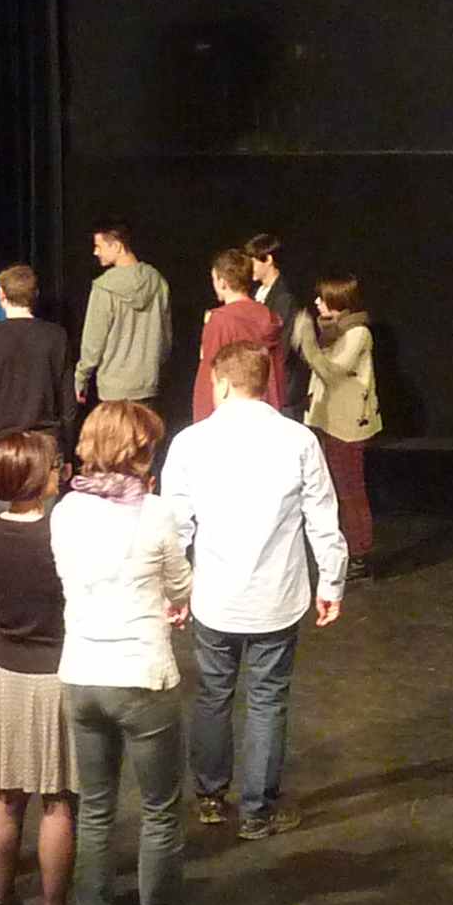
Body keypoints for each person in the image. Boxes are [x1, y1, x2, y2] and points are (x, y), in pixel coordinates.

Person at [159, 340, 345, 839]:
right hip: (277, 597)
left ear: (220, 383)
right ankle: (258, 811)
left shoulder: (191, 443)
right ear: (266, 383)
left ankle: (210, 796)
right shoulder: (298, 440)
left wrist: (173, 593)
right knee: (267, 700)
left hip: (215, 597)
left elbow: (175, 526)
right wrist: (332, 581)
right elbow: (322, 517)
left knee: (213, 695)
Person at [53, 401, 206, 905]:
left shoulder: (65, 510)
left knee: (95, 810)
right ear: (138, 453)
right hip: (141, 676)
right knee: (160, 812)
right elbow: (181, 584)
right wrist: (172, 598)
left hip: (82, 675)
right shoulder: (155, 514)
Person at [0, 430, 80, 905]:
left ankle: (1, 901)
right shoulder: (57, 534)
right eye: (53, 466)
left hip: (7, 670)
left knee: (6, 793)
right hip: (54, 670)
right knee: (57, 799)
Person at [0, 262, 76, 488]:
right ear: (35, 295)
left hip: (3, 448)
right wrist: (69, 453)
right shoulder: (56, 336)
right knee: (45, 510)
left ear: (1, 295)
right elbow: (68, 404)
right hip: (46, 446)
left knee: (6, 509)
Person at [296, 273, 379, 563]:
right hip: (329, 420)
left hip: (347, 424)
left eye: (323, 298)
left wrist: (307, 341)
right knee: (334, 490)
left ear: (338, 300)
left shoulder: (357, 333)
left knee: (349, 491)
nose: (317, 303)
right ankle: (345, 549)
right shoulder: (333, 332)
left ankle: (360, 554)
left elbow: (332, 371)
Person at [74, 222, 171, 418]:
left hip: (113, 392)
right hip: (148, 387)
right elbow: (166, 339)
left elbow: (94, 342)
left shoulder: (104, 288)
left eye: (99, 246)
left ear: (117, 246)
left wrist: (81, 376)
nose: (95, 252)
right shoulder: (158, 282)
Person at [190, 246, 279, 424]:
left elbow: (210, 373)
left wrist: (202, 420)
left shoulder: (221, 320)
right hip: (265, 410)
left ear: (222, 282)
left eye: (214, 279)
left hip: (230, 414)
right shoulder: (270, 316)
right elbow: (276, 370)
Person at [246, 235, 300, 417]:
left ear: (268, 259)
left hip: (277, 385)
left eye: (253, 261)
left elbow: (282, 346)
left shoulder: (284, 297)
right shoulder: (257, 293)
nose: (249, 267)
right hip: (257, 380)